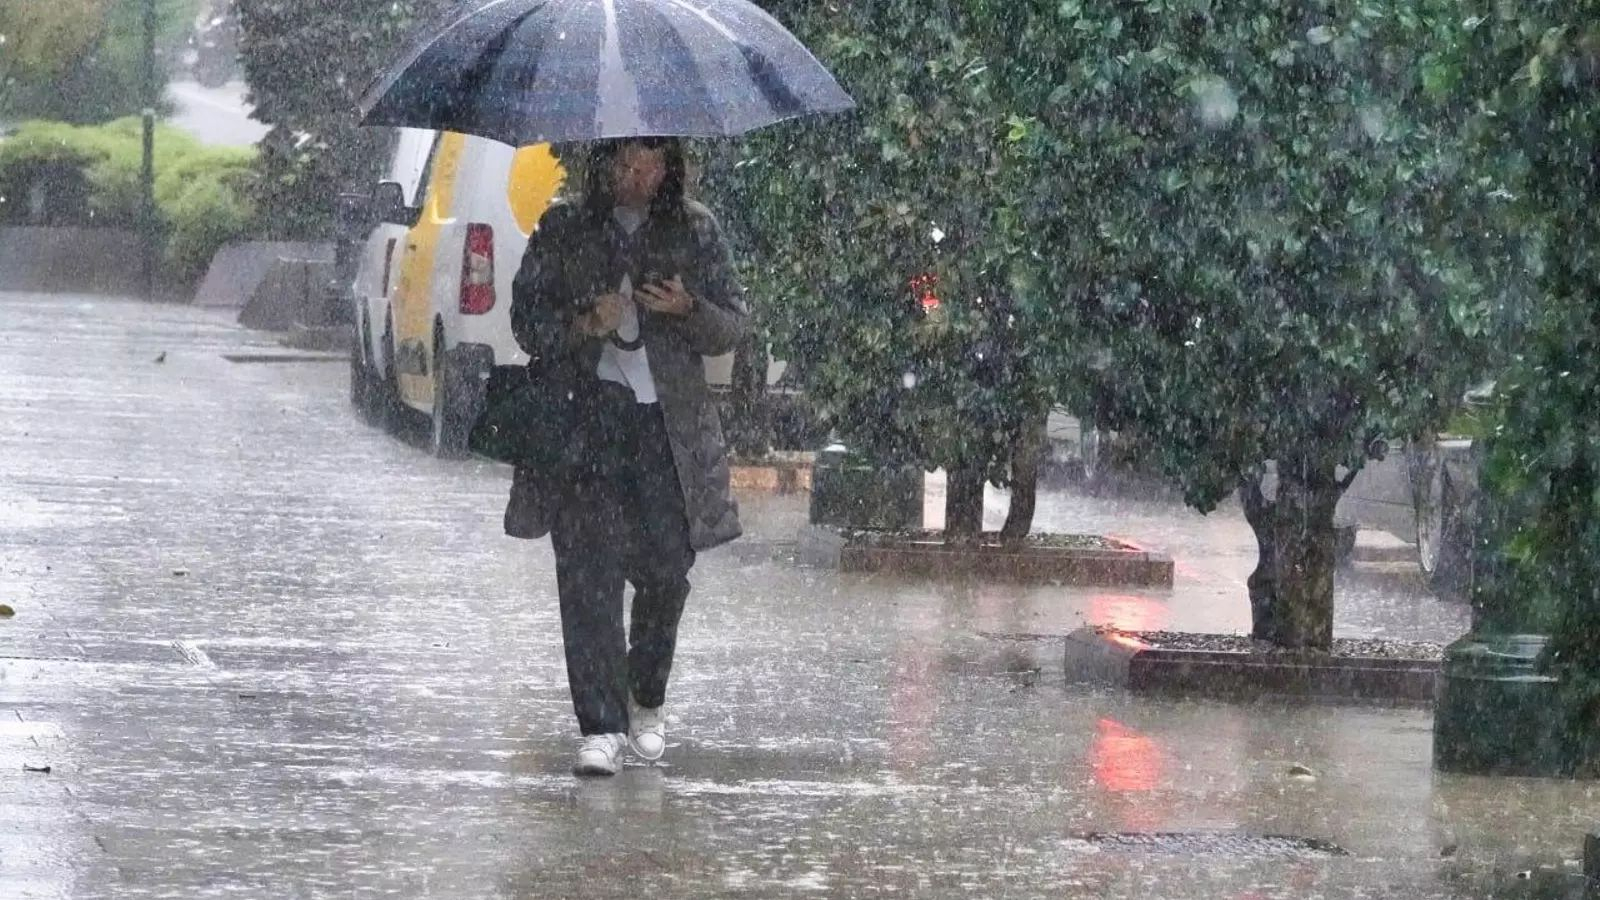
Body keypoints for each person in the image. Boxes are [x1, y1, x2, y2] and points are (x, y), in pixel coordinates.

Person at [509, 138, 748, 777]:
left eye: (647, 164)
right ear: (602, 164)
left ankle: (646, 698)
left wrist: (688, 309)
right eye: (621, 162)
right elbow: (525, 322)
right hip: (584, 425)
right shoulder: (565, 227)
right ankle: (601, 725)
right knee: (587, 574)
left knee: (666, 570)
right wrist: (585, 320)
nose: (632, 176)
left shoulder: (695, 230)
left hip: (665, 431)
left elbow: (733, 323)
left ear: (668, 167)